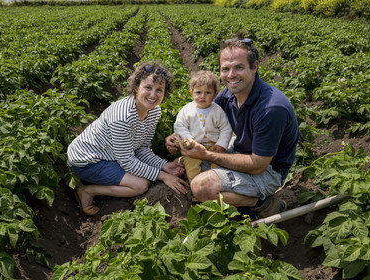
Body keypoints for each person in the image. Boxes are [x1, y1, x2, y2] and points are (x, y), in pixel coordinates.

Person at [166, 37, 299, 218]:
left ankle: (263, 204)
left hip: (267, 171)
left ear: (255, 67)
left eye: (239, 67)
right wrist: (177, 137)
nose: (231, 75)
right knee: (181, 164)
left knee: (201, 186)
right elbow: (204, 114)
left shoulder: (271, 108)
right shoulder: (228, 95)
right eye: (225, 69)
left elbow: (258, 166)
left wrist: (206, 155)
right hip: (239, 152)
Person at [68, 61, 188, 215]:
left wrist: (164, 165)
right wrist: (164, 177)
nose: (153, 95)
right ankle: (88, 191)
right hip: (88, 161)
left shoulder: (154, 112)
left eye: (160, 90)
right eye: (148, 88)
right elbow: (127, 161)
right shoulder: (122, 118)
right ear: (136, 87)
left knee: (143, 176)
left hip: (112, 155)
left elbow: (141, 148)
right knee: (140, 185)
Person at [173, 70, 233, 184]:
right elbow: (180, 126)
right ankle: (195, 187)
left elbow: (226, 128)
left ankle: (215, 186)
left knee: (218, 166)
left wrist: (221, 144)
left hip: (213, 145)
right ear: (191, 93)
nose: (202, 96)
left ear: (215, 94)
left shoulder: (218, 110)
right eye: (198, 92)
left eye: (208, 93)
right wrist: (188, 139)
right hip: (193, 145)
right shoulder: (187, 110)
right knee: (191, 166)